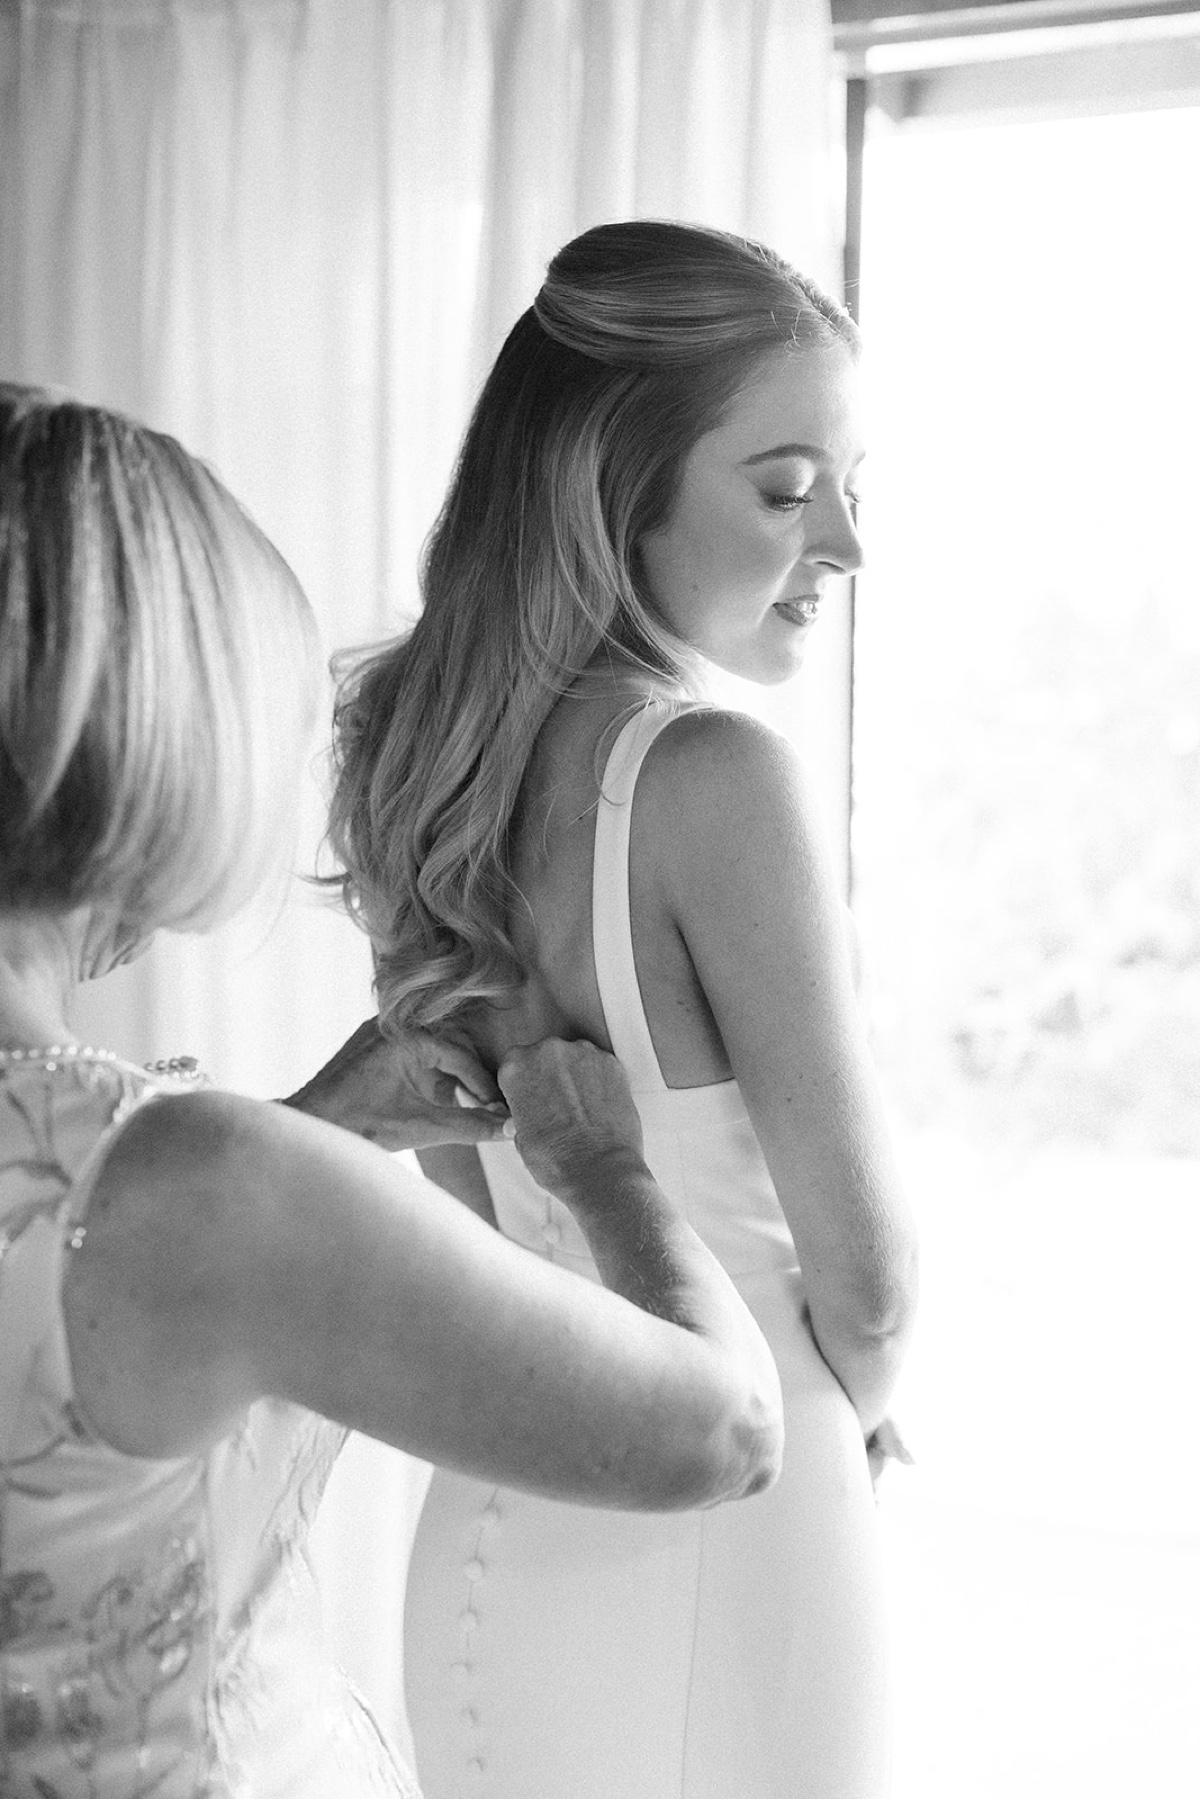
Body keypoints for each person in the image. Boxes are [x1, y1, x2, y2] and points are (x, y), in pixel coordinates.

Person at [0, 383, 786, 1799]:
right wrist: (603, 1167)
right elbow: (723, 1430)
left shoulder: (190, 1193)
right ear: (148, 731)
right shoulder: (207, 1191)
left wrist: (326, 1125)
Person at [328, 220, 920, 1799]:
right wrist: (858, 1414)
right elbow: (865, 1279)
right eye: (789, 491)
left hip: (494, 1498)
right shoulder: (712, 775)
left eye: (856, 486)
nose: (848, 545)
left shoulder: (416, 765)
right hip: (740, 1495)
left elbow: (465, 1215)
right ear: (616, 491)